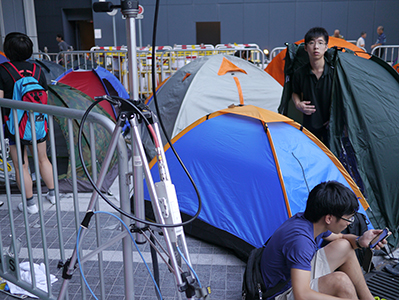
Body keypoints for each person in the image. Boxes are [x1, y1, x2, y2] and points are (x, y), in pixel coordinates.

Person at [260, 181, 389, 300]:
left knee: (344, 246)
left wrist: (361, 240)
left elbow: (341, 237)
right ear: (329, 219)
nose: (349, 224)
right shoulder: (301, 242)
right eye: (349, 219)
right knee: (341, 282)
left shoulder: (311, 222)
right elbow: (302, 295)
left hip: (293, 278)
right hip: (279, 294)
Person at [0, 32, 56, 214]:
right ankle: (53, 194)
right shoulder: (38, 70)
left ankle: (30, 204)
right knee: (42, 158)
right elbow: (44, 97)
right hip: (38, 122)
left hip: (14, 126)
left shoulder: (3, 70)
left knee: (21, 165)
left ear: (7, 50)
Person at [292, 27, 333, 147]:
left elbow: (343, 99)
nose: (316, 47)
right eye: (311, 42)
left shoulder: (334, 73)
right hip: (309, 126)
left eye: (320, 43)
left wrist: (335, 118)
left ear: (326, 47)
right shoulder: (299, 73)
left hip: (330, 127)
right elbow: (295, 92)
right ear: (305, 47)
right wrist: (298, 104)